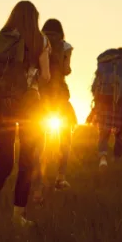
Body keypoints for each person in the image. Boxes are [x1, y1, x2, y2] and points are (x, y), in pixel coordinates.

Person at [0, 0, 50, 226]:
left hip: (3, 105)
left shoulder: (2, 38)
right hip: (30, 107)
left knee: (5, 162)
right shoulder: (40, 40)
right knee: (26, 164)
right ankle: (18, 217)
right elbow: (47, 76)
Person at [32, 18, 77, 202]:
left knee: (38, 141)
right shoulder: (65, 46)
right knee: (66, 137)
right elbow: (66, 70)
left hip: (40, 95)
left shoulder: (37, 43)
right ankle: (60, 177)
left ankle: (37, 186)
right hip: (59, 97)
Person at [89, 47, 122, 168]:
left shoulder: (103, 69)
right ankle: (116, 160)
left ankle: (103, 159)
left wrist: (96, 105)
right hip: (119, 105)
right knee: (120, 134)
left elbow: (94, 88)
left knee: (103, 134)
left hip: (103, 104)